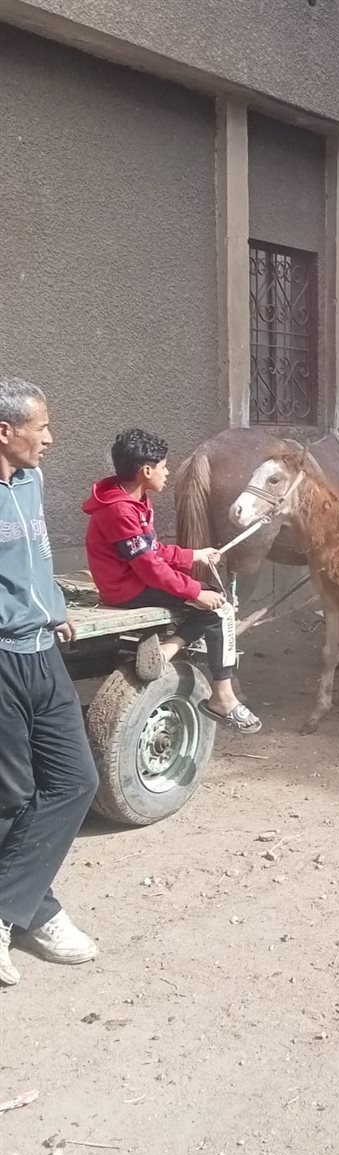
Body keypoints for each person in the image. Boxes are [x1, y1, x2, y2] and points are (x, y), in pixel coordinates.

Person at [0, 377, 100, 986]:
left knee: (76, 780)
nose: (51, 439)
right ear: (5, 432)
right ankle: (37, 912)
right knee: (12, 797)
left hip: (44, 651)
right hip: (3, 659)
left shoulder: (31, 480)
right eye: (42, 427)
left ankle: (14, 907)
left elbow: (35, 557)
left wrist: (54, 606)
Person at [83, 428, 261, 732]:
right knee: (218, 608)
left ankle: (168, 649)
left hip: (132, 580)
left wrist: (195, 556)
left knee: (213, 599)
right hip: (126, 589)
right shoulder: (120, 511)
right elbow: (150, 569)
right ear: (146, 471)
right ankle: (223, 697)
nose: (167, 473)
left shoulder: (135, 500)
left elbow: (153, 552)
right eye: (164, 467)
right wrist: (195, 592)